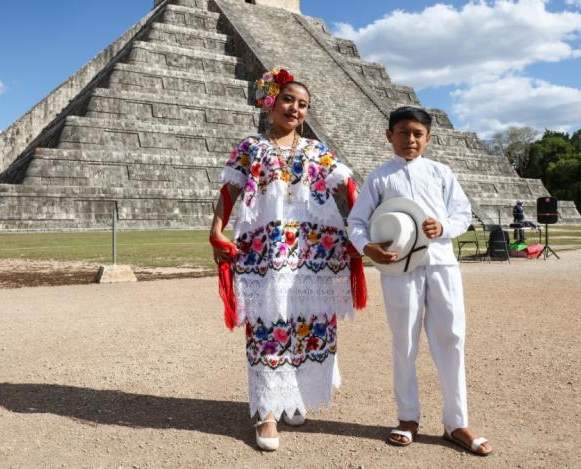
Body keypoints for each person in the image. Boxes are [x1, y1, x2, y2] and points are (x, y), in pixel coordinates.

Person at [209, 68, 362, 451]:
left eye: (303, 104)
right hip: (267, 251)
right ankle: (266, 412)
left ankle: (291, 397)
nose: (295, 108)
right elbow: (230, 189)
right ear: (271, 102)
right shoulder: (251, 147)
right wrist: (216, 229)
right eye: (289, 100)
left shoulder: (317, 151)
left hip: (314, 256)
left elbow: (346, 186)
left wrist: (363, 227)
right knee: (269, 326)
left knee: (307, 325)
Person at [347, 106, 493, 456]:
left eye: (417, 134)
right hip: (399, 268)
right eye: (403, 132)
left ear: (428, 138)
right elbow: (356, 221)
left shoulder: (442, 173)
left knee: (452, 337)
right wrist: (367, 247)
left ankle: (456, 422)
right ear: (389, 136)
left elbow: (462, 213)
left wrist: (443, 227)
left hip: (442, 262)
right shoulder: (379, 178)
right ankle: (408, 417)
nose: (410, 139)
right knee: (404, 341)